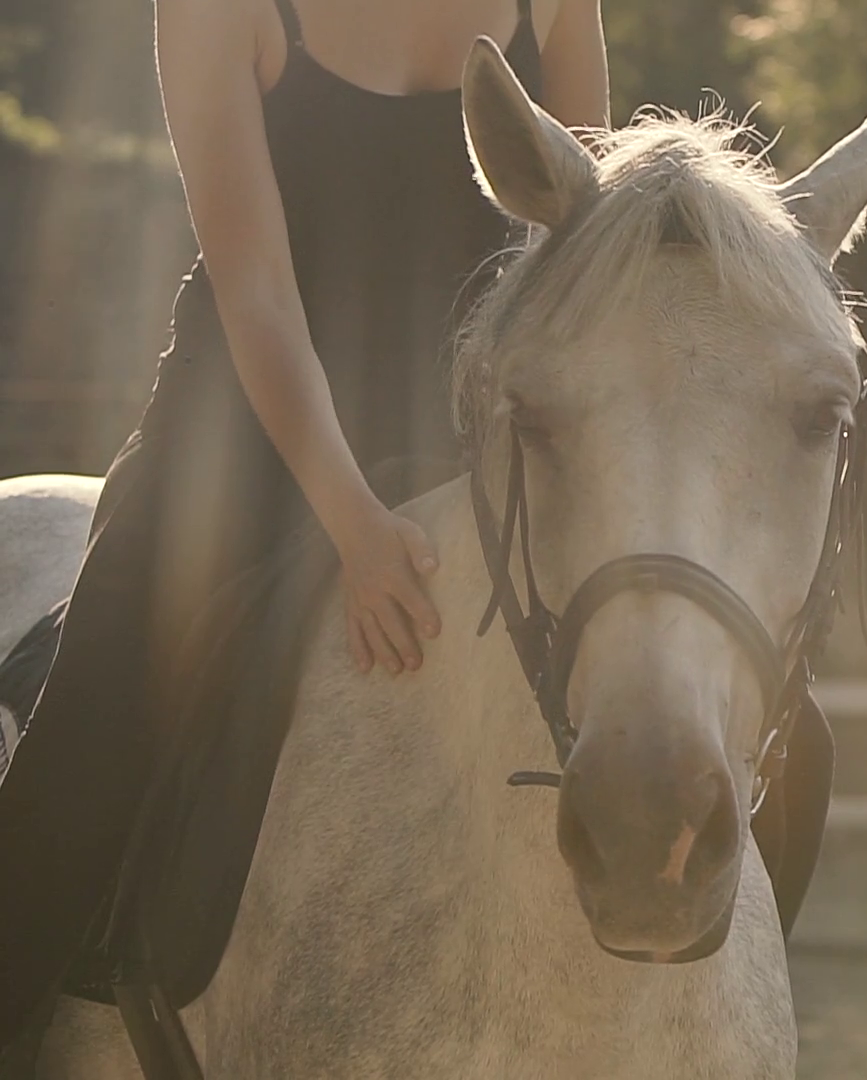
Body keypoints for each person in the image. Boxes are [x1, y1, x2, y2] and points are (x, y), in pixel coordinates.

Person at [0, 0, 610, 1047]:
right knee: (79, 762)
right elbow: (260, 296)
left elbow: (581, 259)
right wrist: (356, 526)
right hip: (232, 460)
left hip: (469, 458)